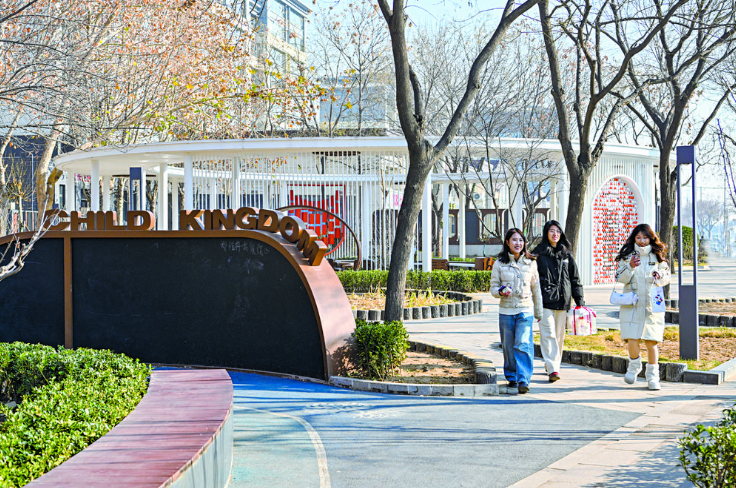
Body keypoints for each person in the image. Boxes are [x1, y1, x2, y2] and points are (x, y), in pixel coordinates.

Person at [615, 223, 671, 390]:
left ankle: (653, 377)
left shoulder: (657, 255)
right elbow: (620, 277)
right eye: (638, 237)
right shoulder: (627, 256)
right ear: (634, 238)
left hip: (652, 303)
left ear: (651, 238)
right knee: (632, 338)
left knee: (652, 341)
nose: (642, 241)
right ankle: (634, 366)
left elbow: (666, 275)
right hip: (632, 304)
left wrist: (659, 274)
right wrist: (630, 266)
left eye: (645, 237)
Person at [531, 220, 585, 383]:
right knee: (548, 333)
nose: (555, 234)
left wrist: (579, 300)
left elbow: (575, 278)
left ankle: (552, 364)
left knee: (559, 336)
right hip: (544, 301)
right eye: (552, 231)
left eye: (558, 231)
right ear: (546, 233)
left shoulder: (567, 254)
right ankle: (553, 369)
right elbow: (531, 277)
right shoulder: (538, 253)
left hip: (563, 300)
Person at [491, 228, 543, 394]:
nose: (518, 243)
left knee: (523, 343)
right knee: (508, 346)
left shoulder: (531, 262)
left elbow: (536, 288)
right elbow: (493, 288)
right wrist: (501, 292)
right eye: (514, 240)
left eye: (521, 240)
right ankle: (512, 376)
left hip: (525, 309)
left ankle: (523, 379)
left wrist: (539, 312)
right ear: (507, 242)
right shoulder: (499, 263)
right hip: (506, 311)